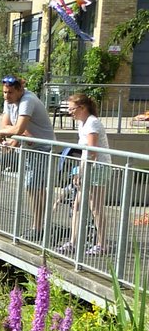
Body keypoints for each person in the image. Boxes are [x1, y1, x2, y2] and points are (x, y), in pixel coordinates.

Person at [0, 76, 56, 240]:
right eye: (4, 92)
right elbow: (8, 126)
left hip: (41, 148)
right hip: (28, 146)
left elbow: (17, 128)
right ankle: (39, 225)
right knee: (32, 188)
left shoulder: (27, 100)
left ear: (20, 90)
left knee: (34, 188)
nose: (6, 96)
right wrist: (14, 136)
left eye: (10, 93)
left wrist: (9, 133)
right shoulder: (9, 101)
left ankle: (38, 228)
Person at [56, 93, 110, 257]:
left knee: (96, 207)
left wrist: (80, 172)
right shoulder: (82, 123)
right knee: (77, 205)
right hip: (87, 167)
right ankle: (73, 242)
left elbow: (93, 152)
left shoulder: (92, 122)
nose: (70, 112)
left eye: (72, 109)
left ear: (82, 108)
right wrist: (77, 171)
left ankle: (102, 244)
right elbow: (83, 152)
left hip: (97, 168)